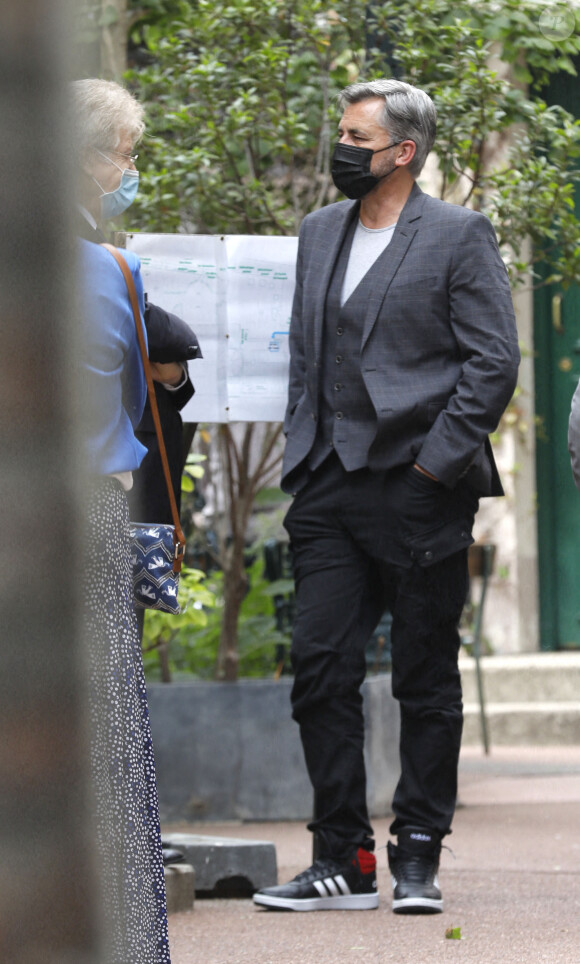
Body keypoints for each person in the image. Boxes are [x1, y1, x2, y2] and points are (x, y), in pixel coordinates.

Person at [253, 79, 520, 915]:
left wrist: (432, 469)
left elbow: (493, 364)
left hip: (420, 489)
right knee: (320, 670)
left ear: (403, 152)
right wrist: (304, 452)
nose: (341, 148)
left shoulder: (456, 234)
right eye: (341, 131)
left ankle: (416, 853)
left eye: (355, 136)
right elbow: (307, 355)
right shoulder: (318, 231)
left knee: (424, 678)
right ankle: (341, 854)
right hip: (329, 486)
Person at [73, 79, 173, 962]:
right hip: (97, 518)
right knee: (108, 735)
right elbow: (137, 412)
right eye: (125, 153)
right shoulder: (112, 271)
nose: (129, 172)